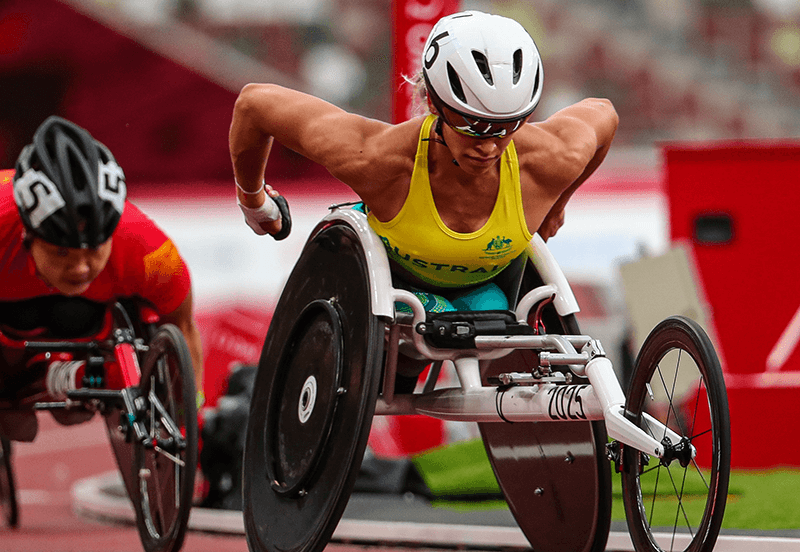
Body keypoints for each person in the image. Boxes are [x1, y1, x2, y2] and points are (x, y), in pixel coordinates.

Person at [228, 10, 618, 375]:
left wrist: (558, 204)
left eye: (506, 127)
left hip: (484, 295)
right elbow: (254, 104)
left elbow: (604, 114)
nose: (489, 146)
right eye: (473, 126)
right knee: (441, 323)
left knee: (489, 312)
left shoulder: (553, 158)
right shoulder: (375, 157)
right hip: (392, 289)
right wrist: (254, 202)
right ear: (433, 102)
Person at [0, 116, 204, 438]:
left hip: (89, 338)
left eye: (95, 248)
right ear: (28, 234)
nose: (81, 268)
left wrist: (186, 418)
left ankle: (69, 374)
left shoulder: (147, 249)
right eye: (62, 252)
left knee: (75, 313)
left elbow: (182, 326)